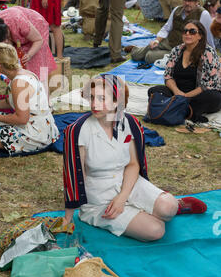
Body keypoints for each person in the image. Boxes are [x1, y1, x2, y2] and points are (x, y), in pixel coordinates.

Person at [62, 74, 207, 241]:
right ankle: (147, 212)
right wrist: (68, 218)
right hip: (99, 199)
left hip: (129, 184)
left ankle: (176, 206)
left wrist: (122, 197)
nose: (94, 104)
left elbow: (132, 164)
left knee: (169, 208)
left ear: (117, 101)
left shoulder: (130, 123)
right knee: (156, 230)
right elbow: (73, 175)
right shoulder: (77, 131)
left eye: (102, 98)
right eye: (92, 97)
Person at [0, 42, 59, 154]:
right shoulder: (23, 73)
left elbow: (22, 119)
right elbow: (11, 102)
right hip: (42, 128)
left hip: (36, 134)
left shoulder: (19, 83)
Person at [0, 6, 57, 111]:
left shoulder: (19, 22)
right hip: (17, 34)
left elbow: (38, 40)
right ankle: (23, 100)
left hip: (36, 28)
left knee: (39, 67)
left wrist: (30, 54)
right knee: (16, 68)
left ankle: (46, 104)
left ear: (6, 38)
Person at [148, 20, 221, 123]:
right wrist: (177, 93)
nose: (187, 33)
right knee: (154, 91)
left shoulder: (208, 52)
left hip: (198, 94)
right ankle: (186, 110)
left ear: (200, 36)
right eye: (185, 31)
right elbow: (168, 76)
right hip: (177, 93)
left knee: (214, 97)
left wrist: (186, 96)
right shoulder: (176, 50)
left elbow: (207, 85)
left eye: (192, 31)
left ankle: (174, 107)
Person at [127, 0, 215, 63]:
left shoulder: (203, 14)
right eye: (185, 0)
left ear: (197, 2)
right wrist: (157, 41)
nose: (187, 3)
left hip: (185, 48)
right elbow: (167, 27)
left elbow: (208, 36)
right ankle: (139, 50)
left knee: (149, 57)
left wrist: (211, 54)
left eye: (190, 1)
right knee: (137, 54)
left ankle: (141, 50)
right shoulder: (177, 9)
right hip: (169, 42)